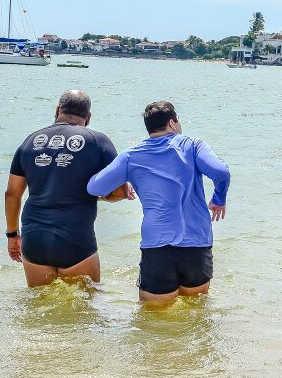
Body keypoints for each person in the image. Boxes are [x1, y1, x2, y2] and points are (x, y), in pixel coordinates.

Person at [87, 101, 231, 303]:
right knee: (196, 315)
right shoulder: (193, 146)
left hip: (157, 248)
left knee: (154, 324)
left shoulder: (131, 156)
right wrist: (218, 199)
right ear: (173, 123)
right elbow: (221, 173)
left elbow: (95, 188)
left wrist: (124, 183)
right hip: (197, 246)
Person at [5, 90, 132, 287]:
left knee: (38, 307)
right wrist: (98, 197)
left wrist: (12, 235)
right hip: (75, 238)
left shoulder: (30, 140)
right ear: (88, 117)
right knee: (85, 310)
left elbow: (12, 193)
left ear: (57, 110)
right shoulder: (98, 141)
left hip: (34, 238)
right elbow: (120, 192)